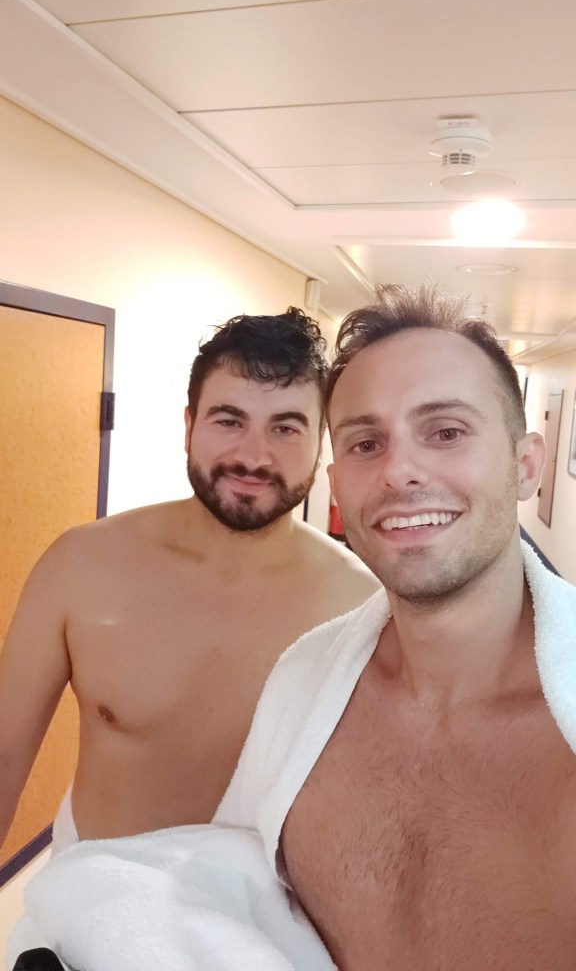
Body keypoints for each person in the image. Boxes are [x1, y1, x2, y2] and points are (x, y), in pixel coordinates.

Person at [219, 285, 576, 971]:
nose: (399, 471)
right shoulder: (302, 683)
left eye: (446, 432)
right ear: (336, 483)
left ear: (526, 465)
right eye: (366, 443)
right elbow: (233, 903)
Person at [0, 306, 377, 856]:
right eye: (229, 420)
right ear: (188, 426)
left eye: (285, 427)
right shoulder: (81, 566)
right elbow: (4, 757)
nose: (253, 456)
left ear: (320, 443)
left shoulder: (361, 606)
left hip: (262, 905)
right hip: (92, 894)